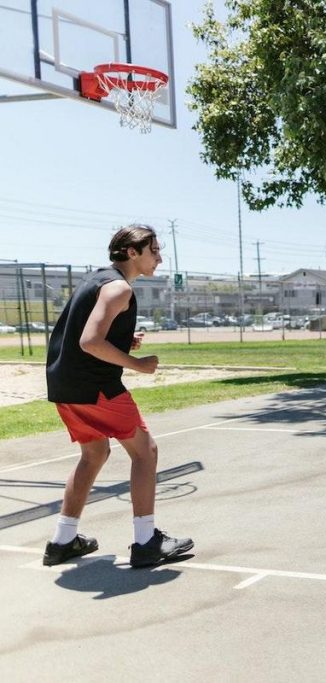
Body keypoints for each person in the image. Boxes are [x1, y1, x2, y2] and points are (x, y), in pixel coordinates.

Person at [42, 225, 194, 568]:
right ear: (131, 252)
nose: (159, 257)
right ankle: (145, 543)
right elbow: (90, 342)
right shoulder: (119, 289)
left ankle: (62, 541)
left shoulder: (98, 280)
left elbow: (88, 334)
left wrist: (124, 342)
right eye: (153, 250)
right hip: (95, 387)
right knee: (146, 451)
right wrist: (136, 364)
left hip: (64, 386)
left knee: (93, 454)